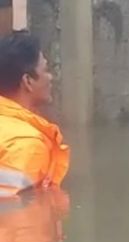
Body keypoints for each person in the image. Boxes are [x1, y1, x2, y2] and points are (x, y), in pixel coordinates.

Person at [0, 31, 70, 197]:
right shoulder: (25, 145)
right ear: (28, 81)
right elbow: (8, 210)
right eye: (46, 69)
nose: (50, 77)